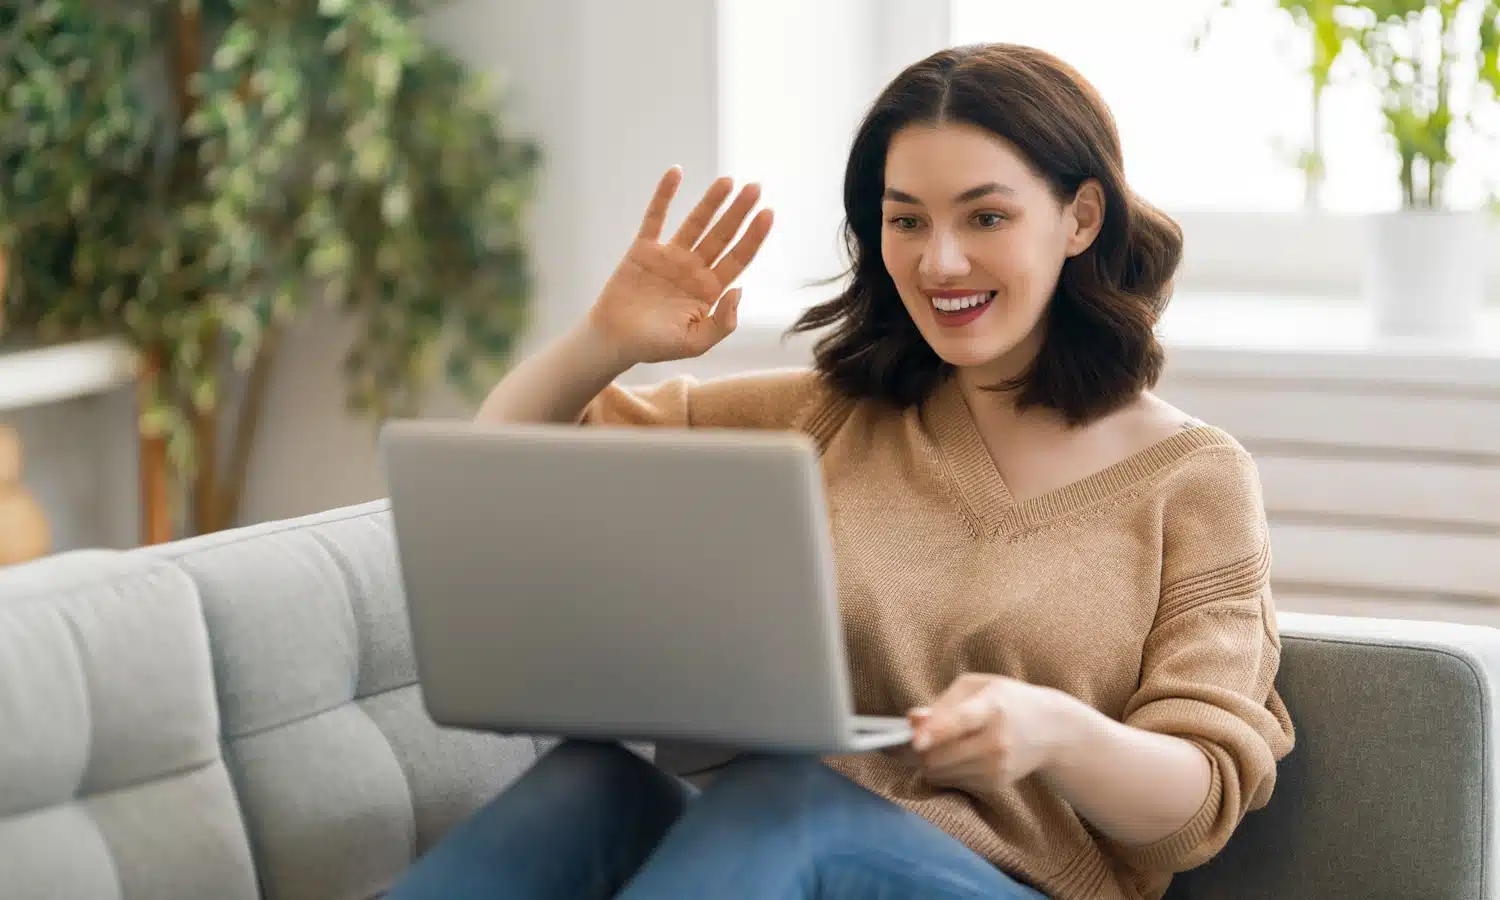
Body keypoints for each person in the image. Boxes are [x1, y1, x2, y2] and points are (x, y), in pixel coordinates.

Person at [386, 42, 1296, 900]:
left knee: (785, 801)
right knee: (594, 786)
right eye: (907, 221)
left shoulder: (1194, 481)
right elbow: (506, 466)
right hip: (770, 850)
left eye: (986, 217)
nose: (940, 261)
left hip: (1003, 882)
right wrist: (605, 342)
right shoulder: (831, 415)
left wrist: (1054, 732)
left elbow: (1195, 804)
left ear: (1081, 218)